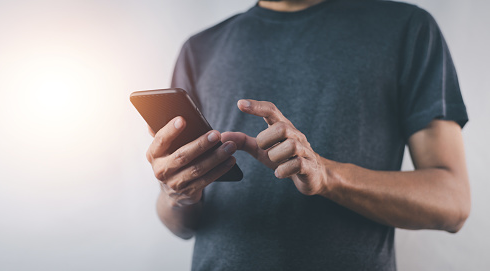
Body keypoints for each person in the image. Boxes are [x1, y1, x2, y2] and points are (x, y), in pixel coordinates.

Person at [145, 0, 470, 270]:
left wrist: (326, 175)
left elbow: (452, 202)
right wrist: (176, 194)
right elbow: (182, 225)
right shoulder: (199, 49)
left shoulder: (407, 29)